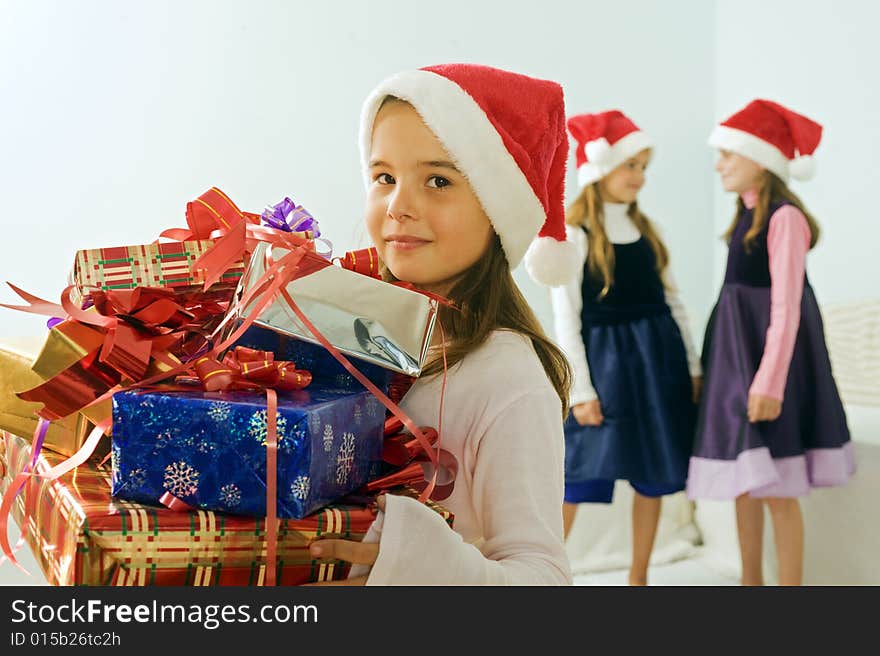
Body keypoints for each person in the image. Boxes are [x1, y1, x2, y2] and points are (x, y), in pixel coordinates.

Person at [309, 63, 581, 584]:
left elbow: (544, 575)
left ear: (499, 209)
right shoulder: (354, 338)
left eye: (438, 181)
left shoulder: (509, 376)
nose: (399, 206)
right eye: (384, 177)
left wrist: (421, 559)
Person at [688, 99, 854, 585]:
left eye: (728, 156)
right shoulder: (744, 216)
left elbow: (787, 308)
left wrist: (769, 384)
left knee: (778, 487)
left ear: (759, 159)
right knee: (745, 483)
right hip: (738, 365)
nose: (720, 165)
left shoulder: (785, 218)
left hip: (769, 369)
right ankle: (750, 583)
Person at [552, 110, 702, 585]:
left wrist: (694, 367)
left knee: (653, 470)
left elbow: (675, 304)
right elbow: (566, 320)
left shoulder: (649, 231)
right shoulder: (574, 237)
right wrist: (580, 391)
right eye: (630, 166)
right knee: (578, 475)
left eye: (642, 168)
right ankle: (542, 573)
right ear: (599, 168)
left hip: (660, 366)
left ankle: (639, 578)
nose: (638, 177)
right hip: (606, 371)